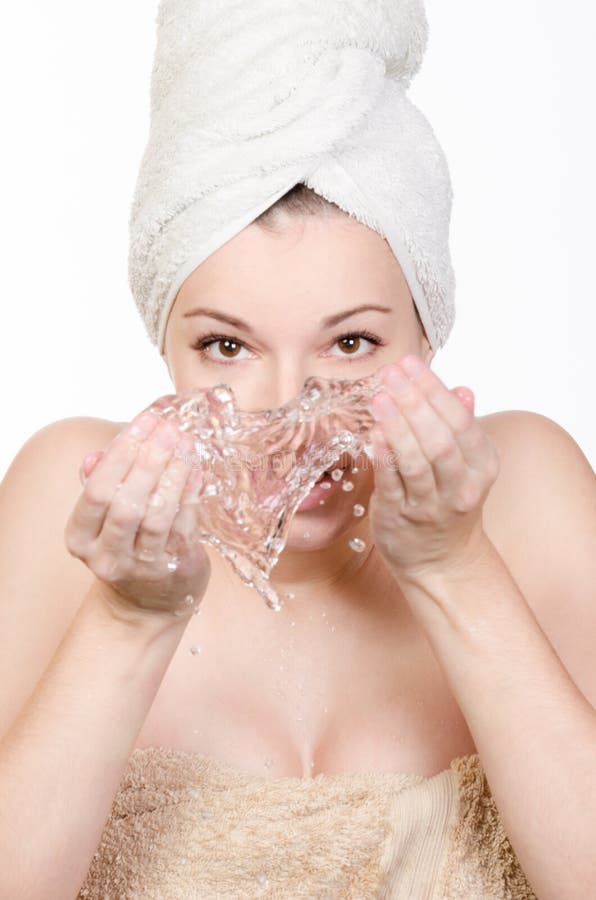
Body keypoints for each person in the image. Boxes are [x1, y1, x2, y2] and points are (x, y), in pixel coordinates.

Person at [2, 1, 596, 896]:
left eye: (350, 344)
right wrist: (129, 619)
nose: (292, 419)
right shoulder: (69, 502)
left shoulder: (532, 489)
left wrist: (453, 565)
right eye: (227, 347)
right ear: (165, 345)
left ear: (426, 340)